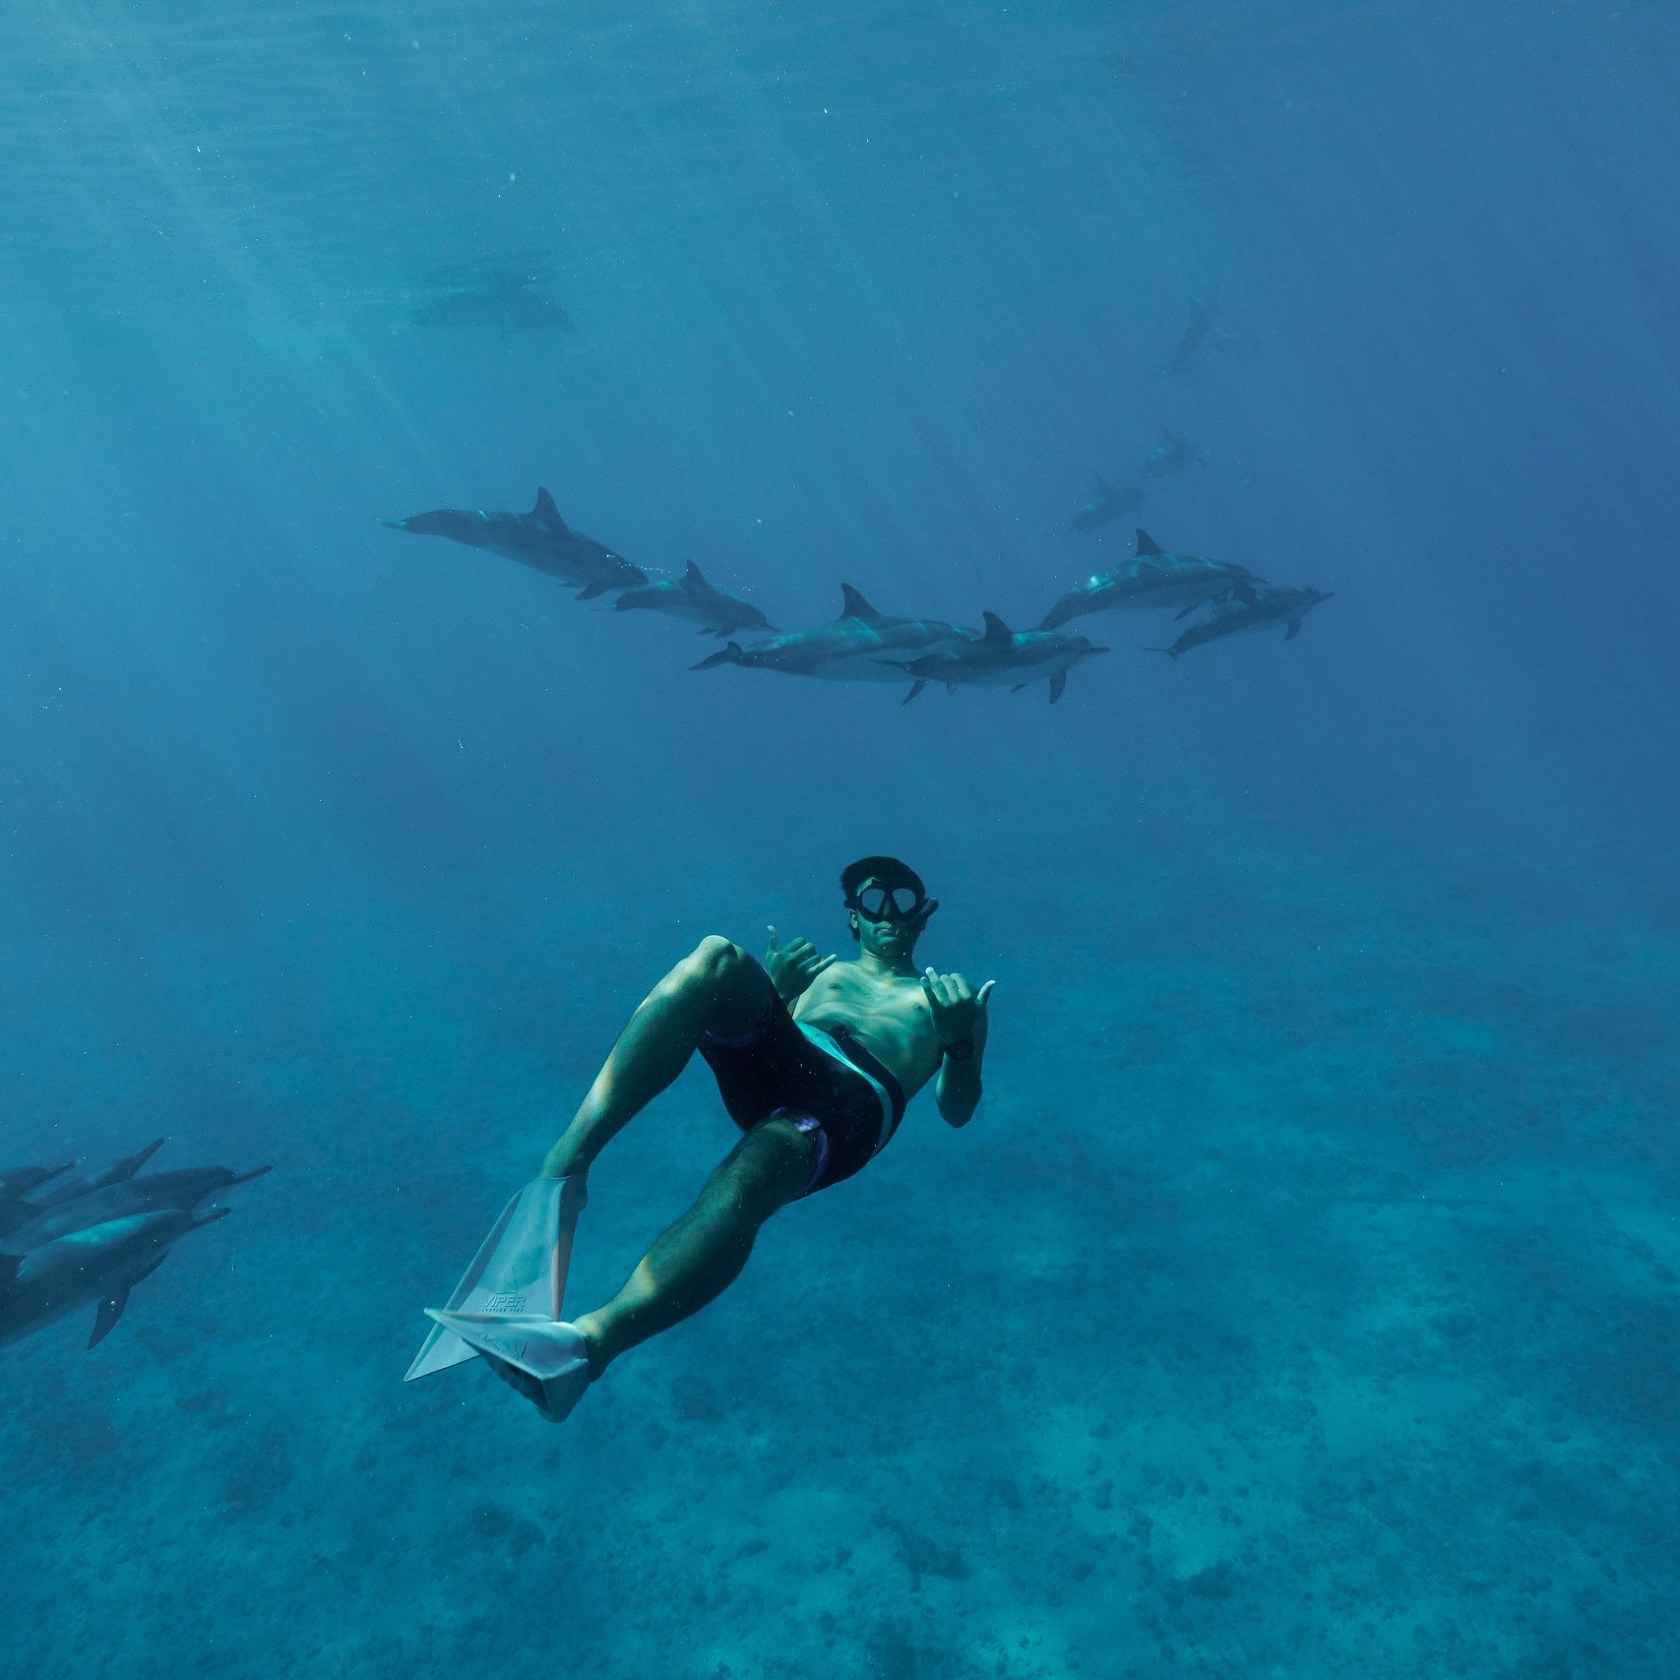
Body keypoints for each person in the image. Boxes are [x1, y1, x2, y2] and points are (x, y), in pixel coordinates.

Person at [511, 856, 993, 1418]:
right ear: (852, 918)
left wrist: (958, 1041)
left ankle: (585, 1348)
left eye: (903, 899)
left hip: (855, 1101)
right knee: (716, 959)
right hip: (789, 1058)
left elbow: (957, 1111)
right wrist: (782, 995)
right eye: (873, 900)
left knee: (750, 1173)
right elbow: (779, 1035)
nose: (889, 913)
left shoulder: (946, 1000)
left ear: (923, 914)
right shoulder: (824, 974)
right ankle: (566, 1166)